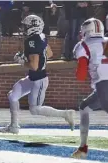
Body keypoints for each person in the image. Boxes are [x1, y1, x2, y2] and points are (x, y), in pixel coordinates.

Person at [0, 15, 75, 134]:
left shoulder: (32, 41)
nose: (23, 29)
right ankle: (14, 126)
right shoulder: (41, 36)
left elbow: (34, 66)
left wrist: (22, 61)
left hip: (39, 80)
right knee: (13, 96)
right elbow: (49, 54)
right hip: (32, 78)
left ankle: (65, 114)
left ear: (33, 27)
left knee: (35, 109)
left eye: (26, 26)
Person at [72, 18, 108, 158]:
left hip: (104, 83)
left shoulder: (83, 45)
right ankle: (82, 148)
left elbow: (81, 75)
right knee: (85, 106)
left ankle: (83, 148)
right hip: (102, 86)